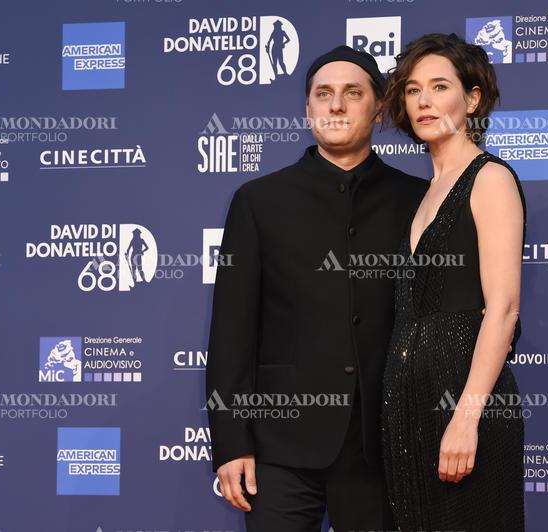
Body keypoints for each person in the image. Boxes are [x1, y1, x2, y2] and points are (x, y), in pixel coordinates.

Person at [205, 46, 427, 531]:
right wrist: (231, 442)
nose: (336, 106)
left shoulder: (417, 201)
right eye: (323, 95)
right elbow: (231, 333)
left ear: (380, 108)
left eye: (353, 93)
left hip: (383, 448)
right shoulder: (258, 201)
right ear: (308, 110)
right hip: (278, 449)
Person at [380, 33, 526, 531]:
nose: (423, 101)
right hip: (407, 405)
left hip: (465, 404)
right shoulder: (423, 194)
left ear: (472, 98)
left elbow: (503, 309)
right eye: (412, 89)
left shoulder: (490, 179)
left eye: (439, 86)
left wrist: (466, 417)